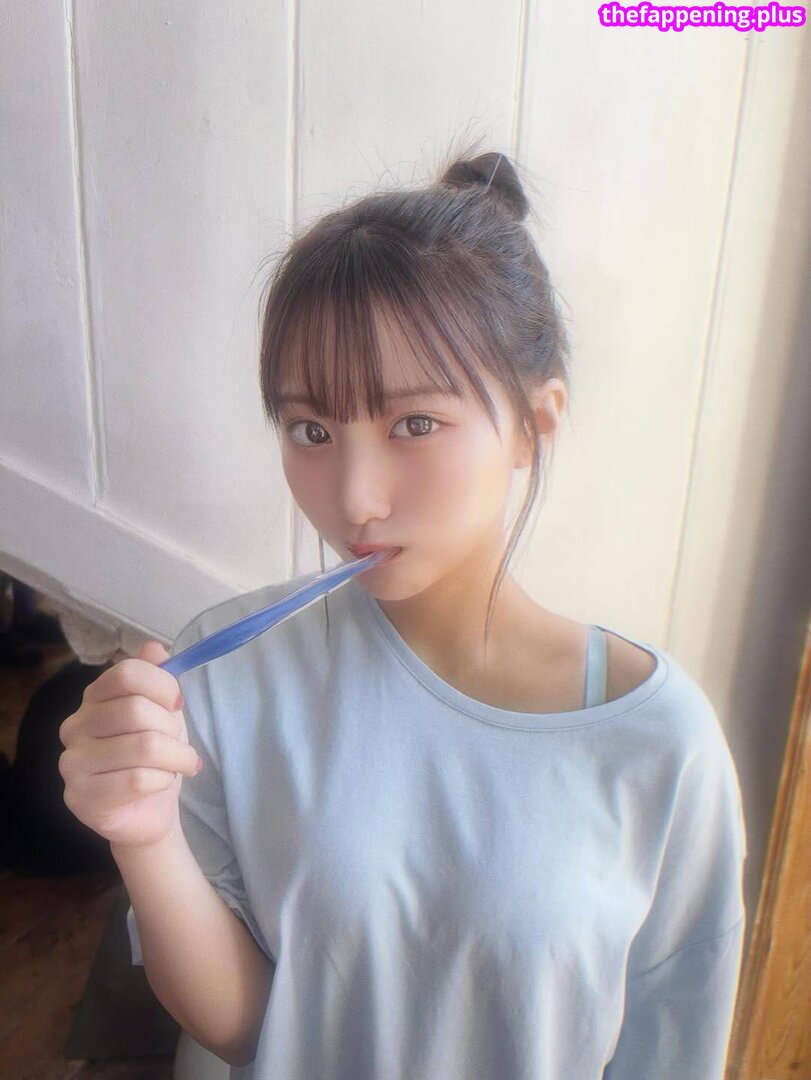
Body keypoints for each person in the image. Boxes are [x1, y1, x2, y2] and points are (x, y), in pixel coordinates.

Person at [58, 142, 748, 1079]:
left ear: (534, 426)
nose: (355, 499)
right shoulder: (221, 671)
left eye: (414, 424)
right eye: (311, 430)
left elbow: (670, 1047)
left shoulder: (661, 743)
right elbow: (251, 1030)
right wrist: (144, 838)